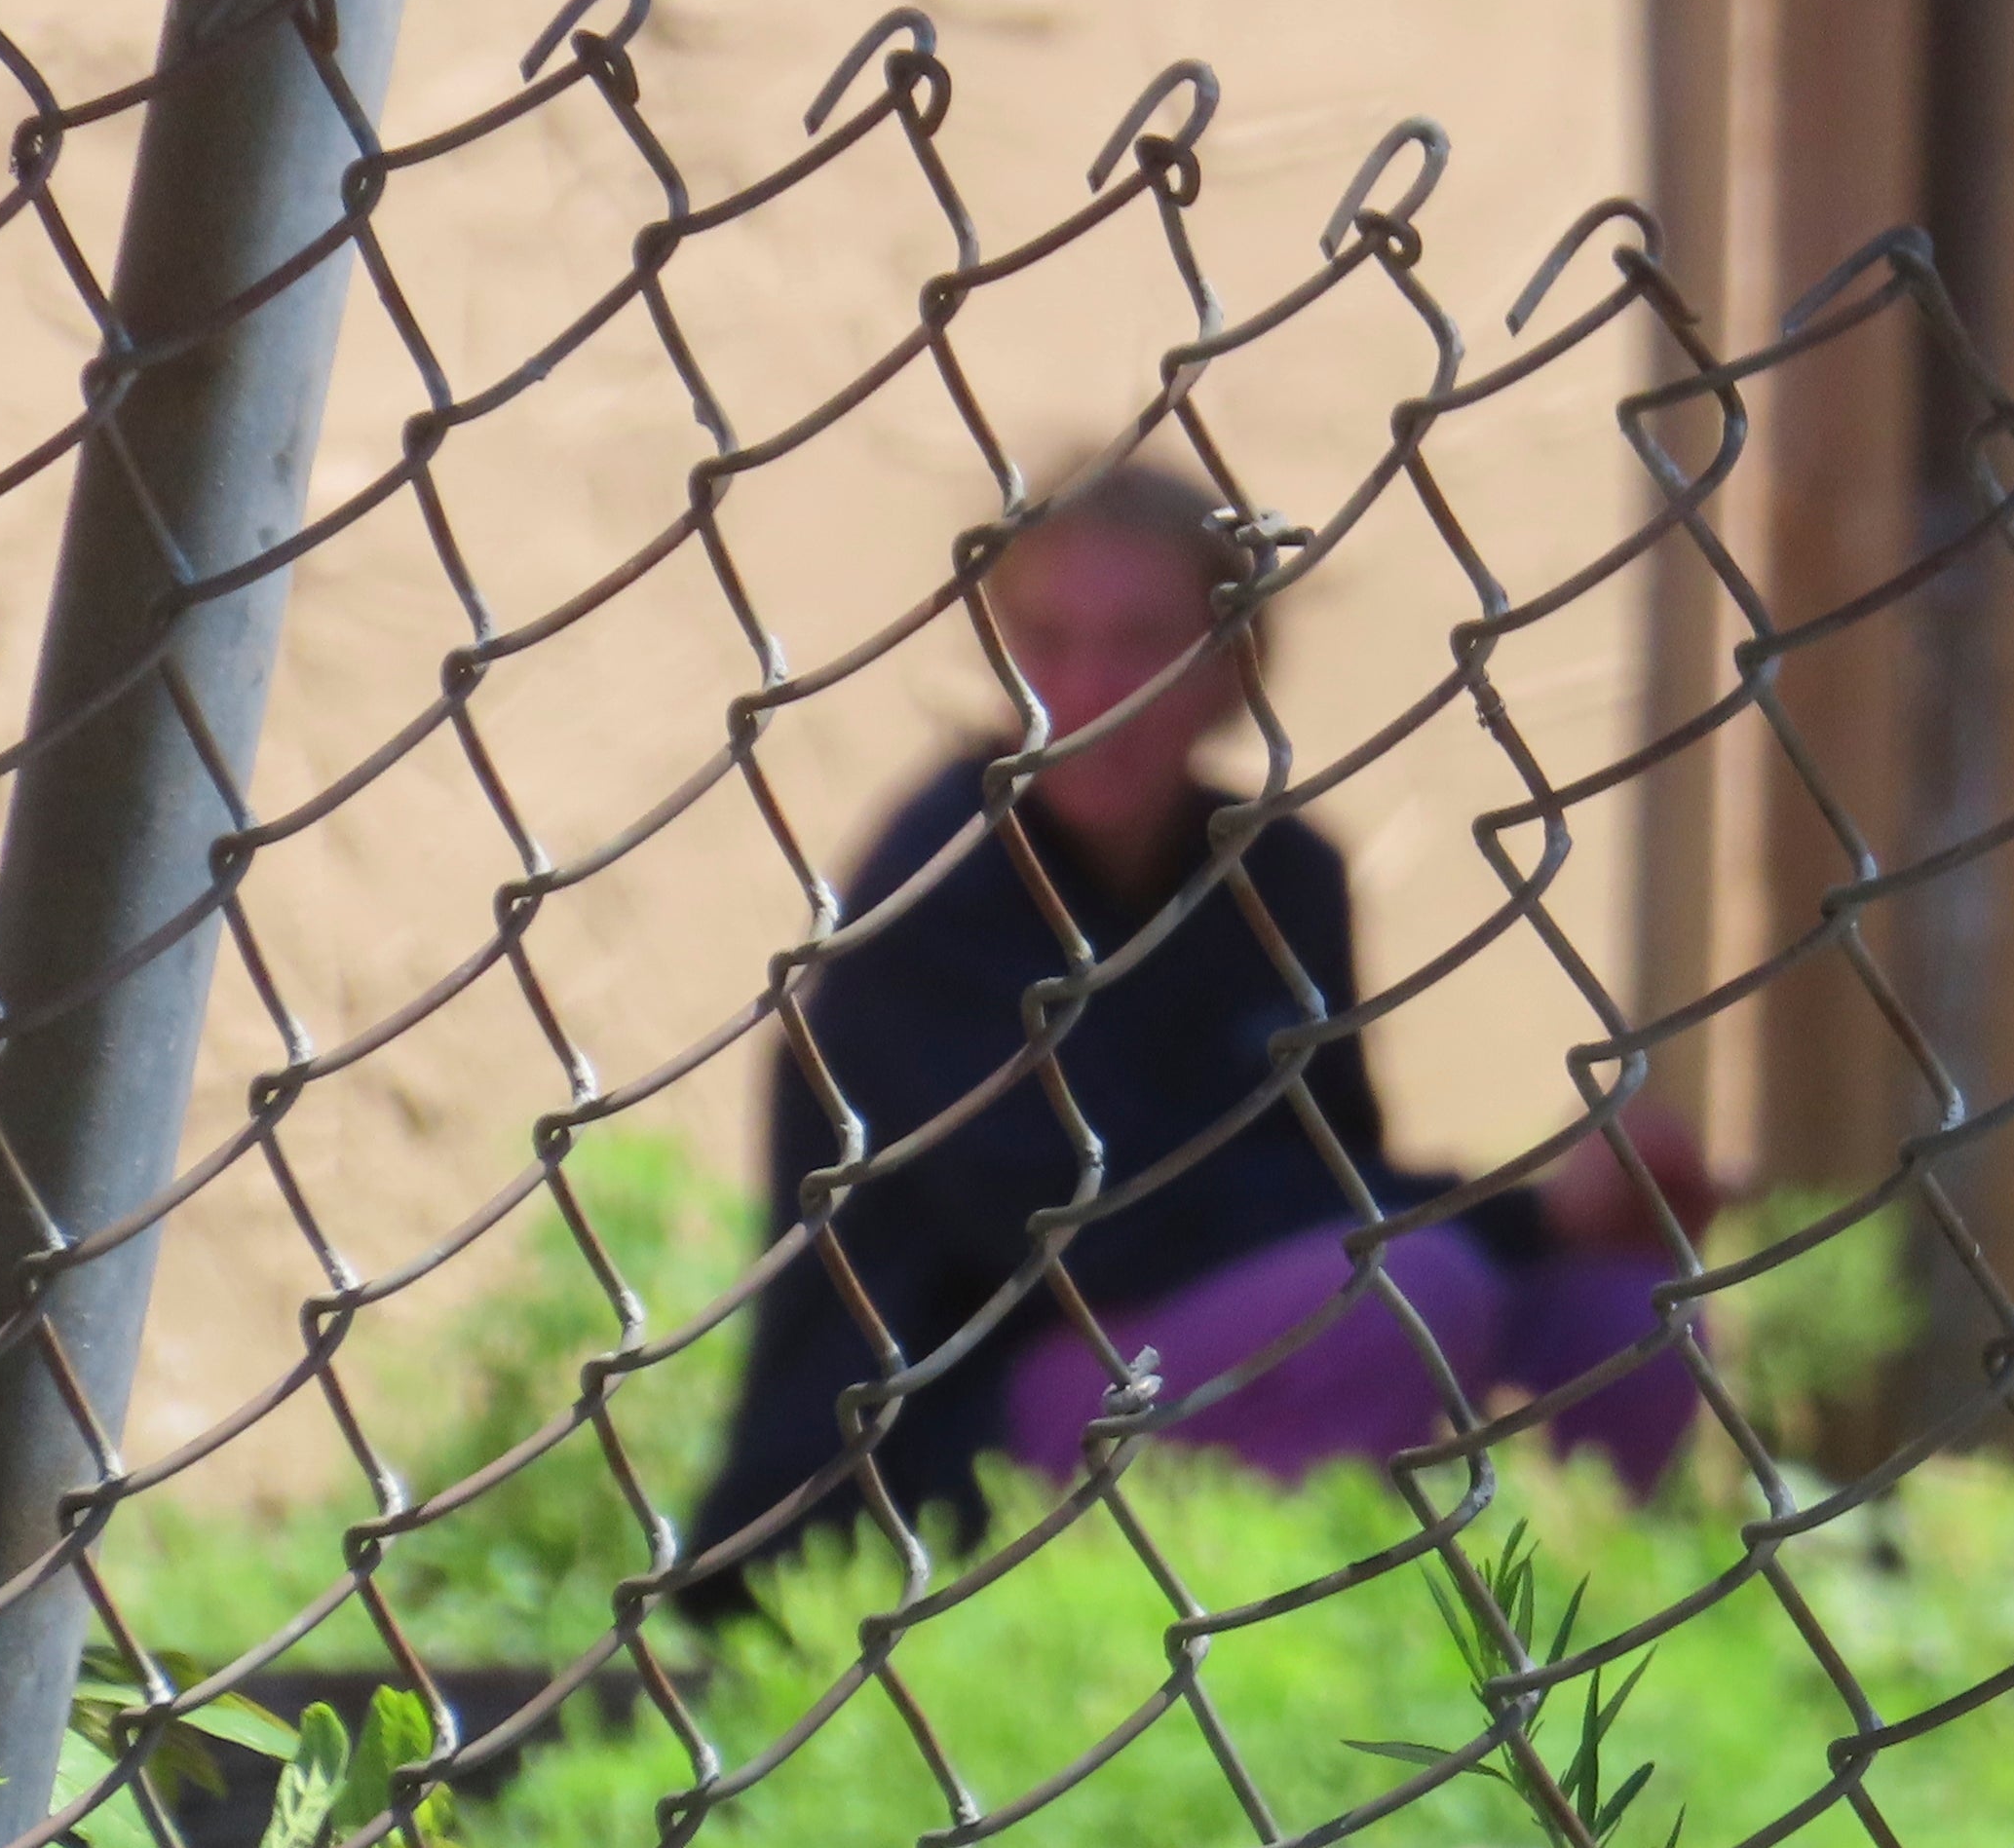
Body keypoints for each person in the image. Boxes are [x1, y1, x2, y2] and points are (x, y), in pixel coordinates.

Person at [684, 460, 1710, 1594]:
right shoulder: (937, 889)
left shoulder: (1282, 878)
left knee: (1630, 1313)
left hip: (1174, 1350)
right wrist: (1524, 1212)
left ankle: (1586, 1633)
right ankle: (1293, 1630)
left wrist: (1566, 1226)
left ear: (1234, 666)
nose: (1091, 689)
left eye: (1142, 644)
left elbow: (1325, 1176)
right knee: (1402, 1300)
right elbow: (1106, 1233)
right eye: (1050, 643)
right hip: (937, 1435)